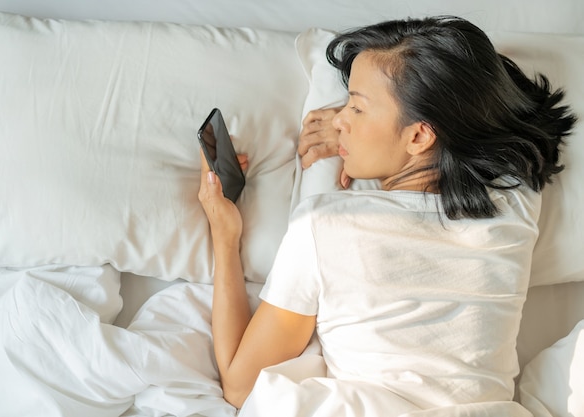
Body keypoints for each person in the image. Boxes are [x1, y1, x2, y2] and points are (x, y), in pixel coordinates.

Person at [197, 16, 577, 410]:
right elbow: (490, 84)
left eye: (356, 108)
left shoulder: (324, 226)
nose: (339, 119)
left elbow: (241, 388)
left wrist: (224, 236)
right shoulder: (516, 202)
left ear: (418, 135)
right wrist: (371, 135)